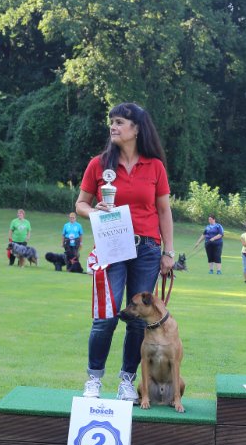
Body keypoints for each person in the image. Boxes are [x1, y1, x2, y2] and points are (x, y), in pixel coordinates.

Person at [75, 102, 175, 402]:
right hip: (111, 246)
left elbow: (164, 210)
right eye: (112, 121)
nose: (113, 127)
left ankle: (127, 381)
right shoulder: (98, 164)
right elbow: (80, 204)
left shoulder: (155, 166)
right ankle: (94, 379)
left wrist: (168, 252)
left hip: (147, 249)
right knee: (105, 317)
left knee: (137, 318)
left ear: (137, 129)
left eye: (119, 122)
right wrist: (94, 211)